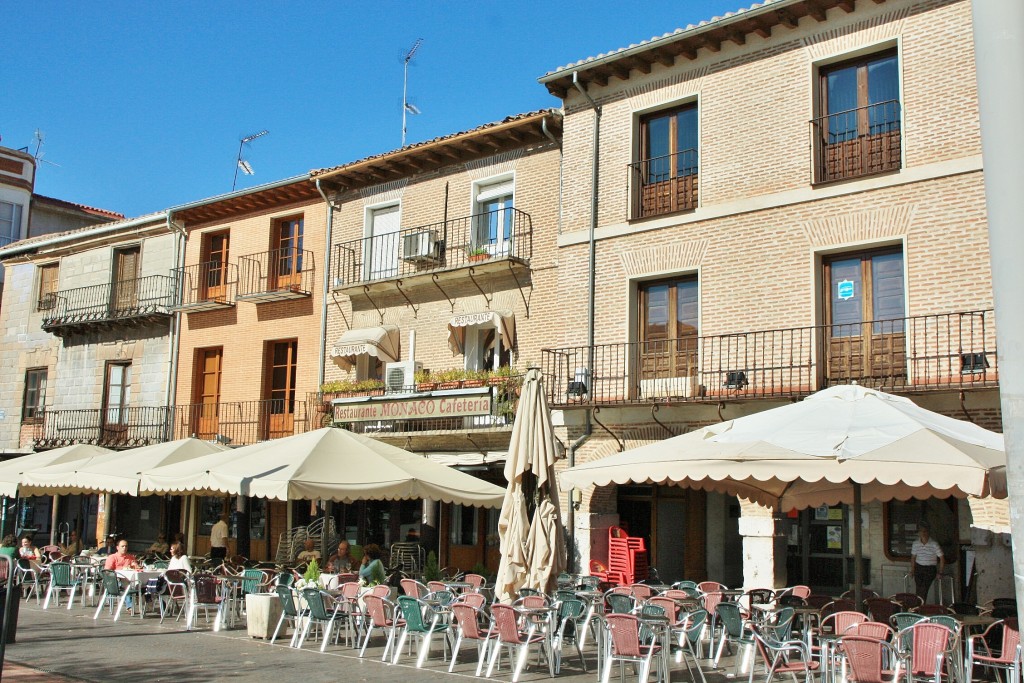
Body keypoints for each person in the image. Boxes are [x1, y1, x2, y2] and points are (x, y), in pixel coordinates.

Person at [911, 524, 944, 602]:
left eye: (925, 531)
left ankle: (919, 607)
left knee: (924, 588)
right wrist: (912, 570)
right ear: (919, 533)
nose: (923, 533)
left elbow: (942, 558)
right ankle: (919, 607)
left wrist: (940, 572)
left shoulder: (934, 544)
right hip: (919, 567)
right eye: (921, 531)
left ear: (928, 532)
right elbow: (913, 557)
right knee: (918, 588)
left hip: (930, 569)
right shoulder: (915, 543)